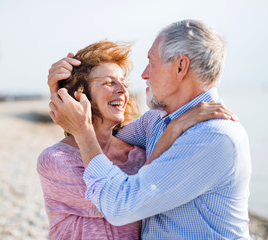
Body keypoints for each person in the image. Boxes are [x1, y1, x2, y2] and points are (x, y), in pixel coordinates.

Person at [48, 20, 251, 239]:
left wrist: (83, 129)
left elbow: (120, 206)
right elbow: (103, 135)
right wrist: (63, 91)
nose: (144, 74)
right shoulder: (157, 122)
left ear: (181, 67)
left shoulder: (212, 137)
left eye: (151, 63)